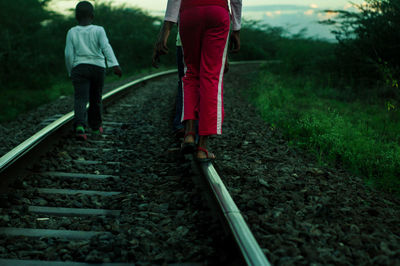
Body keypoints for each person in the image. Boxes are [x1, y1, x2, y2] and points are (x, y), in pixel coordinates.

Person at [153, 0, 242, 162]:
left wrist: (165, 30)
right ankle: (202, 147)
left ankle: (188, 133)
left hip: (189, 14)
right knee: (211, 78)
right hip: (217, 12)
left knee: (191, 73)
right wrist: (236, 28)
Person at [65, 1, 122, 141]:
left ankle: (80, 127)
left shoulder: (72, 31)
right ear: (92, 15)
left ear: (76, 16)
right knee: (96, 98)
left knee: (80, 99)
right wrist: (115, 64)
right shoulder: (99, 30)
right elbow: (106, 47)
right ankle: (96, 128)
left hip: (79, 68)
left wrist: (70, 71)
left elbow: (68, 54)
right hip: (98, 68)